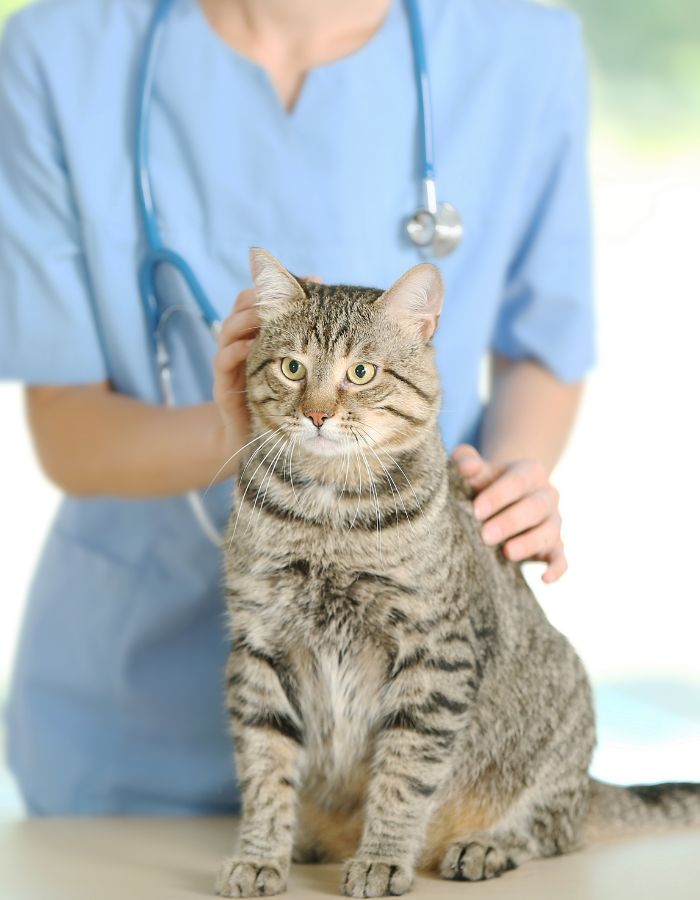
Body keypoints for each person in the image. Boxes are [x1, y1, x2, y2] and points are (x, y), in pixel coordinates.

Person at [0, 0, 594, 815]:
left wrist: (511, 480)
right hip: (130, 731)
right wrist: (238, 429)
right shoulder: (61, 48)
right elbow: (68, 432)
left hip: (415, 717)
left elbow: (544, 345)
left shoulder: (524, 45)